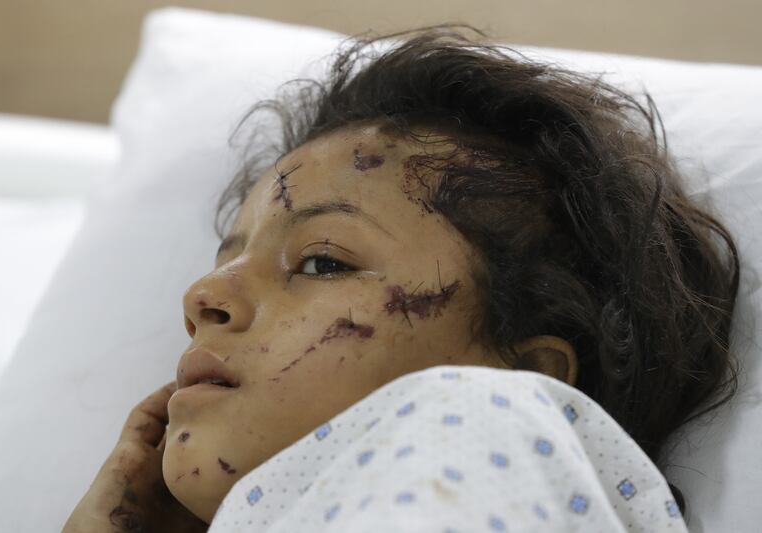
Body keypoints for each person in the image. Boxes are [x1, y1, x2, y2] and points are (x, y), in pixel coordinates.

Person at [63, 24, 740, 532]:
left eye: (322, 261)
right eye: (224, 261)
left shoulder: (484, 417)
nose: (201, 297)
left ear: (523, 371)